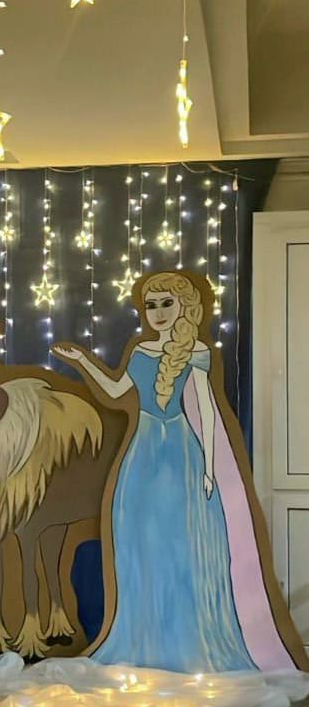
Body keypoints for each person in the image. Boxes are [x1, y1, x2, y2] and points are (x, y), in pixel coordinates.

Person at [53, 271, 303, 673]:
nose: (157, 312)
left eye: (166, 303)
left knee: (182, 543)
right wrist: (83, 361)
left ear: (184, 306)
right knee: (143, 542)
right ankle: (148, 634)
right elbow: (115, 392)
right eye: (151, 305)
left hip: (180, 453)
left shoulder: (196, 351)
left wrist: (209, 467)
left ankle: (188, 637)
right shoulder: (140, 353)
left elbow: (206, 409)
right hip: (142, 454)